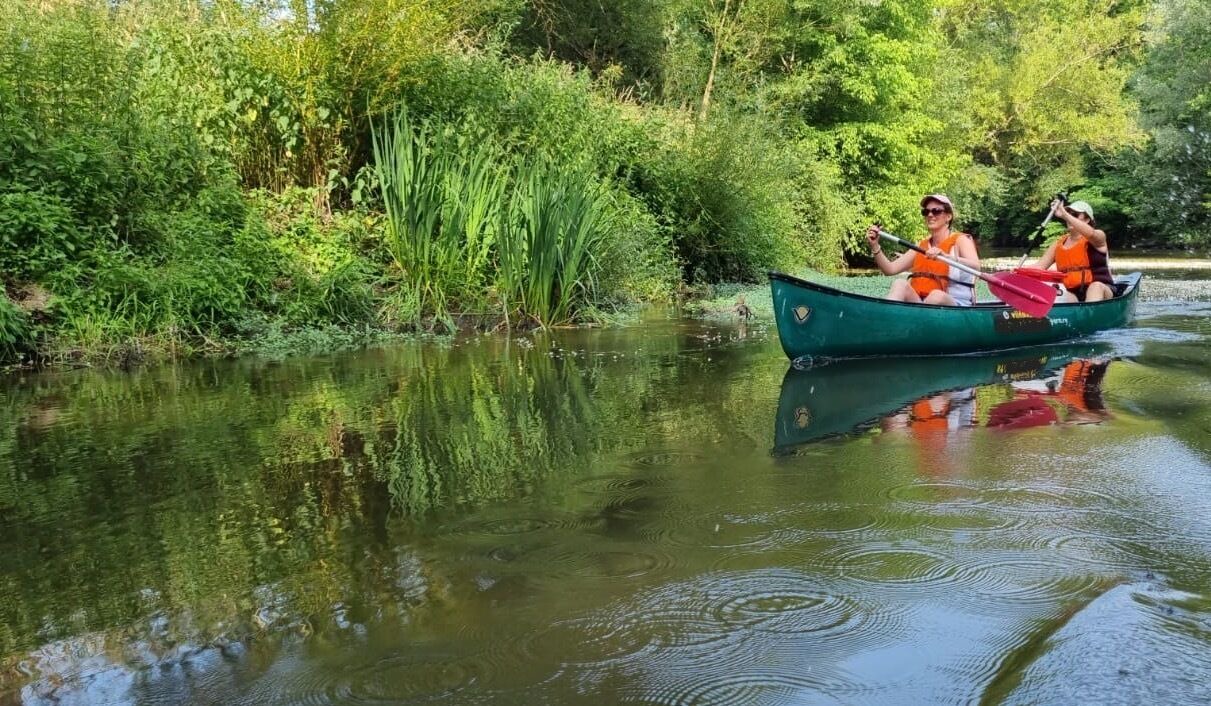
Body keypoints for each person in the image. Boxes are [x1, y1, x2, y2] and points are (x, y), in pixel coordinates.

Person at [864, 194, 980, 306]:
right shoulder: (921, 246)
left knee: (935, 296)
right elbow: (890, 269)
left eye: (936, 211)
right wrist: (875, 246)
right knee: (900, 284)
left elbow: (976, 266)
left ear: (948, 217)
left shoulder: (961, 240)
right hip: (922, 303)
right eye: (926, 212)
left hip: (955, 304)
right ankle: (888, 317)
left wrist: (946, 256)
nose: (930, 215)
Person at [1029, 199, 1114, 302]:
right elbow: (1039, 267)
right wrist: (1014, 273)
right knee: (1058, 292)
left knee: (1095, 287)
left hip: (1102, 289)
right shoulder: (1058, 244)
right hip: (1071, 291)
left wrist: (1064, 214)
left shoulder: (1098, 236)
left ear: (1087, 219)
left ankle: (1090, 315)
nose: (1069, 217)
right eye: (1069, 213)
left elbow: (1091, 233)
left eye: (1075, 214)